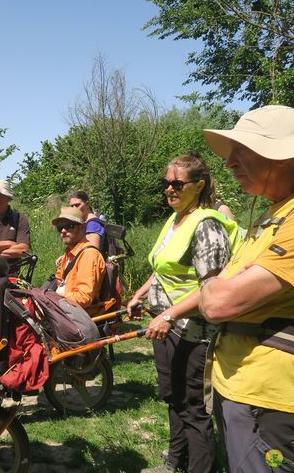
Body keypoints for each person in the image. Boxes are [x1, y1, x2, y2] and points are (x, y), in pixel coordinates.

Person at [127, 154, 240, 473]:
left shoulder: (206, 225)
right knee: (172, 396)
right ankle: (175, 460)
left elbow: (212, 287)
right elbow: (164, 269)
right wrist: (141, 292)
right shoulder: (176, 219)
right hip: (165, 324)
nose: (169, 189)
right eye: (166, 183)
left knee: (192, 406)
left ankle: (201, 466)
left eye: (177, 183)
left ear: (199, 185)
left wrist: (170, 315)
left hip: (192, 330)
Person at [199, 105, 294, 473]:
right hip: (244, 388)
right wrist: (217, 284)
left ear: (284, 156)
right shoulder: (274, 216)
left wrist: (210, 281)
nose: (229, 164)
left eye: (243, 151)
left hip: (269, 401)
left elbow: (220, 301)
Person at [51, 206, 106, 309]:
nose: (63, 231)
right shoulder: (69, 253)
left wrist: (52, 298)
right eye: (60, 227)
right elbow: (60, 280)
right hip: (62, 304)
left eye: (69, 226)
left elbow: (84, 298)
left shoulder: (89, 255)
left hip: (76, 311)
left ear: (82, 227)